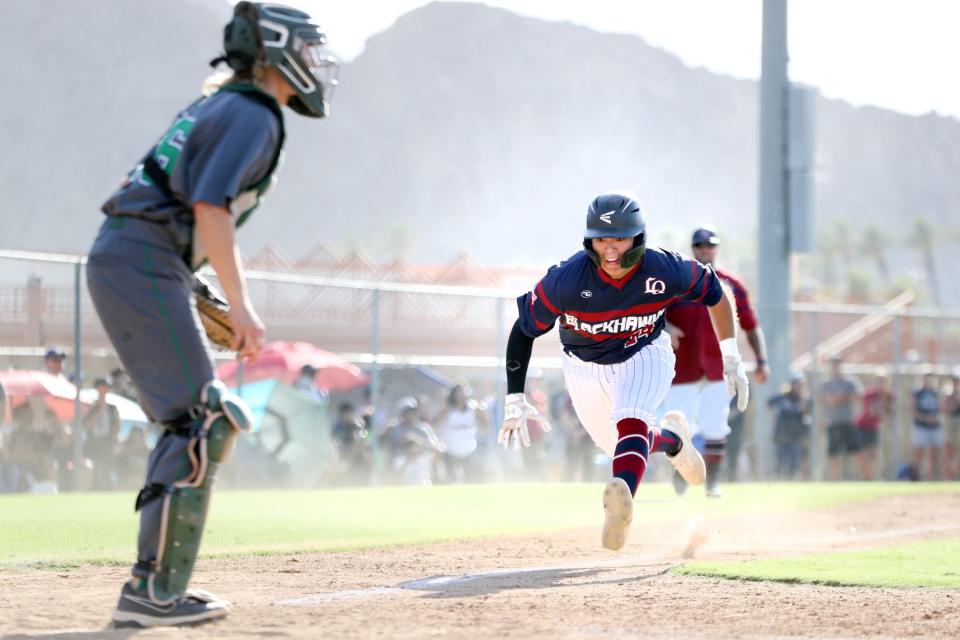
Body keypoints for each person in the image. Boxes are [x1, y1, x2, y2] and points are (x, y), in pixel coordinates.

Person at [85, 2, 339, 628]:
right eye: (307, 52)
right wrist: (243, 306)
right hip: (141, 261)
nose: (315, 65)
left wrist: (189, 283)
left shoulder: (216, 103)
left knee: (192, 420)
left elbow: (157, 196)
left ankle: (154, 588)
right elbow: (209, 207)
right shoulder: (253, 111)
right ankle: (156, 593)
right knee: (202, 420)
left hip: (137, 257)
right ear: (276, 52)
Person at [498, 193, 749, 551]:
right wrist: (515, 397)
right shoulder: (567, 280)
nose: (610, 249)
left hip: (644, 351)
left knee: (631, 419)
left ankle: (621, 506)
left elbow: (716, 293)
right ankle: (674, 442)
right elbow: (524, 329)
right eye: (601, 239)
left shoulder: (665, 268)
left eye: (619, 238)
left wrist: (731, 355)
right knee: (624, 446)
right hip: (584, 366)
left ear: (638, 238)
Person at [662, 225, 768, 497]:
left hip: (716, 367)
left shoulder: (730, 284)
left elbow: (750, 324)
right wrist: (666, 327)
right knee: (678, 426)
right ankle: (680, 480)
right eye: (699, 245)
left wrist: (761, 360)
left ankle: (713, 484)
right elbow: (651, 312)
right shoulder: (679, 282)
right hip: (681, 367)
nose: (705, 249)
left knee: (714, 425)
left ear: (716, 248)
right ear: (693, 248)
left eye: (710, 245)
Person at [382, 397, 445, 485]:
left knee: (433, 455)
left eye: (414, 411)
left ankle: (438, 480)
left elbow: (435, 445)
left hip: (421, 459)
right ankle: (394, 484)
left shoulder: (424, 428)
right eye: (409, 412)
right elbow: (394, 446)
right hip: (401, 460)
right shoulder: (395, 428)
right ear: (402, 414)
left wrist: (419, 441)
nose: (412, 414)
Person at [821, 355, 863, 480]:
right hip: (833, 422)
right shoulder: (826, 383)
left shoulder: (850, 381)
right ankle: (834, 481)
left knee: (857, 452)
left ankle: (866, 480)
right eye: (833, 365)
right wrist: (845, 397)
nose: (835, 367)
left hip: (848, 421)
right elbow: (830, 400)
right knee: (833, 455)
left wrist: (840, 397)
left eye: (837, 364)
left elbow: (856, 397)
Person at [433, 385, 486, 483]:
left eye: (464, 392)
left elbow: (485, 425)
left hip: (469, 450)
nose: (462, 395)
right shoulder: (447, 410)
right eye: (459, 392)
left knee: (471, 480)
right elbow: (435, 424)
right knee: (451, 480)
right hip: (450, 450)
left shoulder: (473, 408)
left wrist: (481, 411)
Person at [767, 372, 812, 479]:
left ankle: (792, 480)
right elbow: (769, 403)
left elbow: (806, 414)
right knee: (780, 462)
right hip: (781, 434)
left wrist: (802, 397)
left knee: (795, 463)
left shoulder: (804, 399)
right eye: (796, 384)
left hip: (796, 436)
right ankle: (779, 480)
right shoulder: (784, 396)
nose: (798, 386)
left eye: (801, 384)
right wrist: (774, 417)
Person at [82, 377, 121, 490]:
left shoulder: (112, 409)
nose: (103, 390)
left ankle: (107, 489)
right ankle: (94, 489)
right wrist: (97, 414)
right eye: (101, 387)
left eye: (105, 387)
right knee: (94, 469)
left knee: (106, 469)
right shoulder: (92, 407)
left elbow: (116, 427)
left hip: (107, 443)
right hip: (94, 442)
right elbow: (85, 426)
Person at [855, 369, 894, 480]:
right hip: (862, 426)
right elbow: (872, 412)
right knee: (863, 454)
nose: (880, 384)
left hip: (874, 427)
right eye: (878, 381)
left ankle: (870, 478)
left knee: (873, 454)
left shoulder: (889, 395)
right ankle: (865, 476)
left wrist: (884, 402)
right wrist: (883, 408)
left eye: (883, 381)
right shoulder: (869, 394)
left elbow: (889, 412)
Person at [912, 371, 943, 480]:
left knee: (933, 455)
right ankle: (916, 478)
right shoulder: (918, 393)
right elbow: (913, 410)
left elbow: (941, 408)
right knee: (918, 453)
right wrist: (925, 418)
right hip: (921, 426)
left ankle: (931, 479)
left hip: (934, 426)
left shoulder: (936, 393)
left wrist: (935, 418)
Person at [331, 402, 370, 485]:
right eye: (344, 414)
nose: (347, 416)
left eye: (348, 413)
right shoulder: (338, 427)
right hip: (343, 457)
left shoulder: (359, 425)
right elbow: (335, 442)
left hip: (358, 458)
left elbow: (364, 440)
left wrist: (357, 443)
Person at [943, 369, 960, 480]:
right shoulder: (948, 392)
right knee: (948, 450)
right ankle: (948, 477)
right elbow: (947, 408)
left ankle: (955, 475)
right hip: (950, 422)